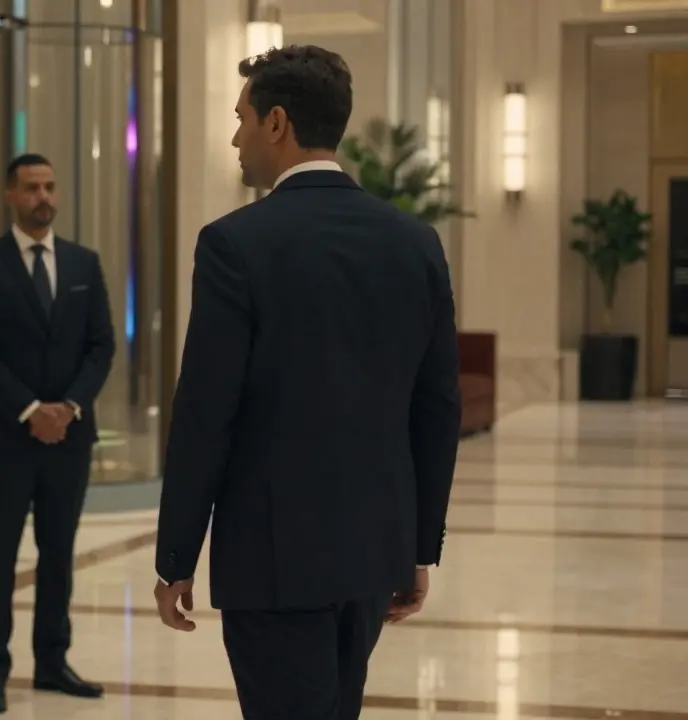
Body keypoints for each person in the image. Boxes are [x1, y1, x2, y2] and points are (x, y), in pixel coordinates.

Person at [152, 46, 462, 719]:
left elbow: (207, 410)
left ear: (277, 123)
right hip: (372, 550)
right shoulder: (415, 243)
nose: (235, 137)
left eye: (241, 118)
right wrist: (417, 547)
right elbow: (436, 407)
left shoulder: (236, 243)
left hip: (272, 557)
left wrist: (177, 554)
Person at [0, 153, 116, 714]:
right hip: (6, 437)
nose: (43, 196)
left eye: (49, 186)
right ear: (10, 196)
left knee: (59, 554)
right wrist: (30, 408)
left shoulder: (82, 263)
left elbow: (102, 346)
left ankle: (52, 661)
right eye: (31, 188)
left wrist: (68, 406)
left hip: (70, 439)